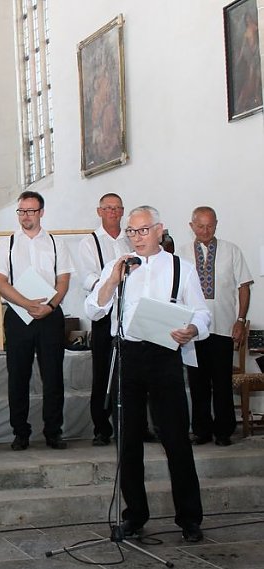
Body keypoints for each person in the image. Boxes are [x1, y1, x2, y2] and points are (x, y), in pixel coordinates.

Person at [85, 205, 208, 543]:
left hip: (165, 356)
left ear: (159, 230)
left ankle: (190, 518)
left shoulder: (181, 267)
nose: (136, 238)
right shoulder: (118, 265)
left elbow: (201, 312)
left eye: (142, 230)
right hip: (129, 355)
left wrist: (193, 329)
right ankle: (134, 515)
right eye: (131, 232)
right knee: (128, 440)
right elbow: (93, 310)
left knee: (176, 438)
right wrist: (113, 280)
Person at [0, 191, 73, 451]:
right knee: (18, 376)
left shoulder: (56, 243)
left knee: (53, 375)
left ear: (41, 212)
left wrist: (50, 306)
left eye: (31, 211)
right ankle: (20, 432)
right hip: (18, 315)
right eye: (21, 211)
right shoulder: (7, 244)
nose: (26, 216)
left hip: (50, 315)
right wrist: (26, 304)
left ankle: (53, 431)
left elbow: (63, 280)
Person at [179, 206, 253, 447]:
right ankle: (201, 431)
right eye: (200, 226)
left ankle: (224, 431)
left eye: (210, 225)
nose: (205, 230)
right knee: (197, 383)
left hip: (223, 327)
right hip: (193, 329)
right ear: (191, 226)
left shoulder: (232, 250)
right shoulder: (181, 253)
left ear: (216, 224)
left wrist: (240, 320)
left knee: (221, 382)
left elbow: (244, 286)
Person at [76, 193, 131, 446]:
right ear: (99, 212)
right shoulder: (89, 242)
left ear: (122, 211)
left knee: (132, 371)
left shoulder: (131, 239)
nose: (113, 212)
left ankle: (135, 426)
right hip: (104, 312)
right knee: (102, 371)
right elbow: (87, 277)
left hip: (130, 312)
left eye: (117, 208)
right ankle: (101, 427)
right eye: (108, 208)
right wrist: (110, 285)